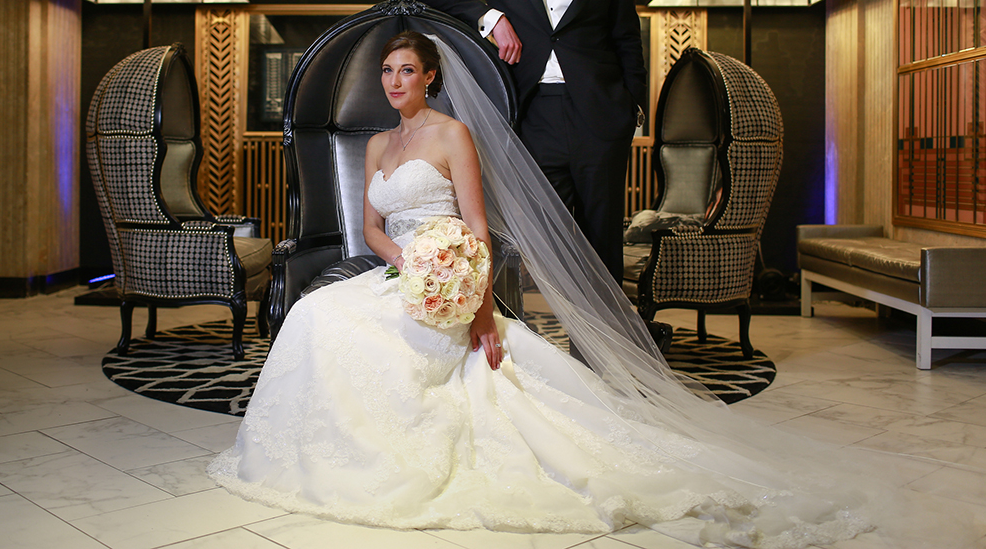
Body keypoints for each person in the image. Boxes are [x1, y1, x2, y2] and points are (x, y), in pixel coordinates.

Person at [208, 31, 969, 547]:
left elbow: (475, 227)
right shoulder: (376, 142)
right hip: (399, 272)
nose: (396, 80)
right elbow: (369, 231)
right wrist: (404, 263)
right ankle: (337, 449)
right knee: (314, 316)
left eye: (407, 70)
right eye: (387, 72)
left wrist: (469, 303)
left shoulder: (450, 135)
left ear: (430, 77)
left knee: (400, 349)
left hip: (451, 277)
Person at [416, 0, 644, 300]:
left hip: (599, 115)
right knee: (537, 238)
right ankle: (532, 347)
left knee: (602, 239)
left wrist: (631, 110)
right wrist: (490, 18)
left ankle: (603, 356)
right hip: (530, 111)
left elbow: (626, 36)